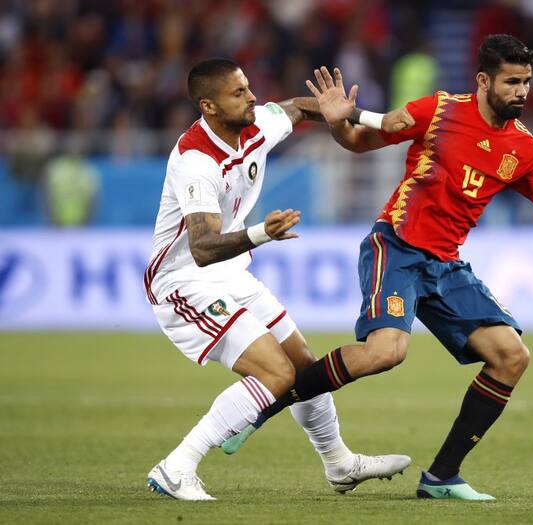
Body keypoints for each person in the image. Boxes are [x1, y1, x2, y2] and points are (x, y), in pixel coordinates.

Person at [225, 35, 533, 501]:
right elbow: (358, 140)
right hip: (396, 246)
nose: (521, 91)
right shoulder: (439, 111)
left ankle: (441, 477)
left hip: (445, 264)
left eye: (526, 82)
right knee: (386, 352)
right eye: (511, 82)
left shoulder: (527, 150)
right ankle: (267, 405)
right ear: (483, 81)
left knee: (511, 356)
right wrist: (336, 122)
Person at [144, 58, 414, 501]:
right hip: (184, 282)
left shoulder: (255, 124)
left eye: (248, 87)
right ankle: (177, 466)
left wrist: (361, 116)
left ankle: (339, 464)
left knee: (305, 368)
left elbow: (299, 107)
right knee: (276, 372)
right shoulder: (196, 160)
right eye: (239, 93)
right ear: (209, 107)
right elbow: (202, 247)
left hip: (229, 273)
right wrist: (260, 234)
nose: (252, 97)